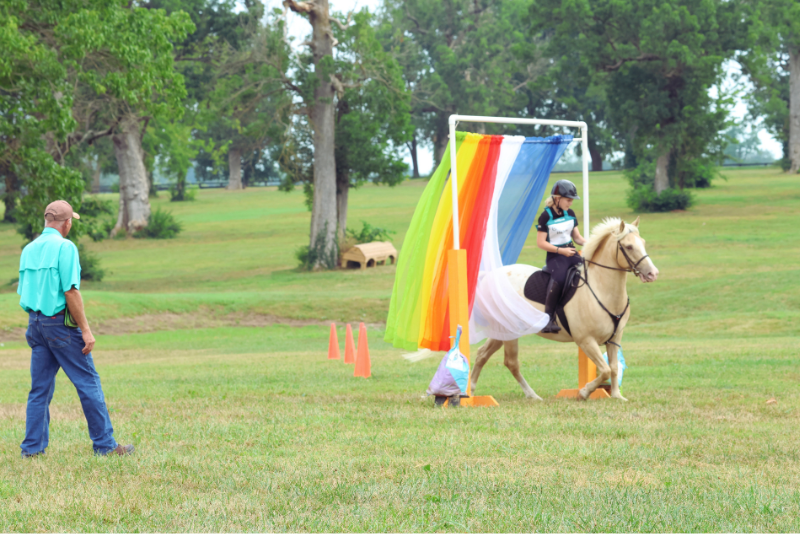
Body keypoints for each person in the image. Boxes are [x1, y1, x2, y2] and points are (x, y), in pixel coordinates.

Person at [17, 200, 134, 458]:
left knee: (39, 390)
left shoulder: (29, 249)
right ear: (67, 223)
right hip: (60, 325)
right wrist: (86, 330)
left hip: (35, 324)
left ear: (47, 221)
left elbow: (23, 291)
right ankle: (105, 446)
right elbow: (70, 291)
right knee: (88, 382)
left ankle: (32, 450)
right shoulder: (65, 247)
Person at [536, 180, 587, 334]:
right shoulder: (545, 216)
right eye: (568, 200)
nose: (571, 203)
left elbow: (577, 238)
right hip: (555, 256)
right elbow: (540, 243)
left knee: (589, 270)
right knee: (559, 278)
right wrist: (561, 251)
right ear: (557, 198)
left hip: (571, 251)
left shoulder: (570, 214)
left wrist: (592, 244)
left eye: (572, 200)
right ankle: (548, 319)